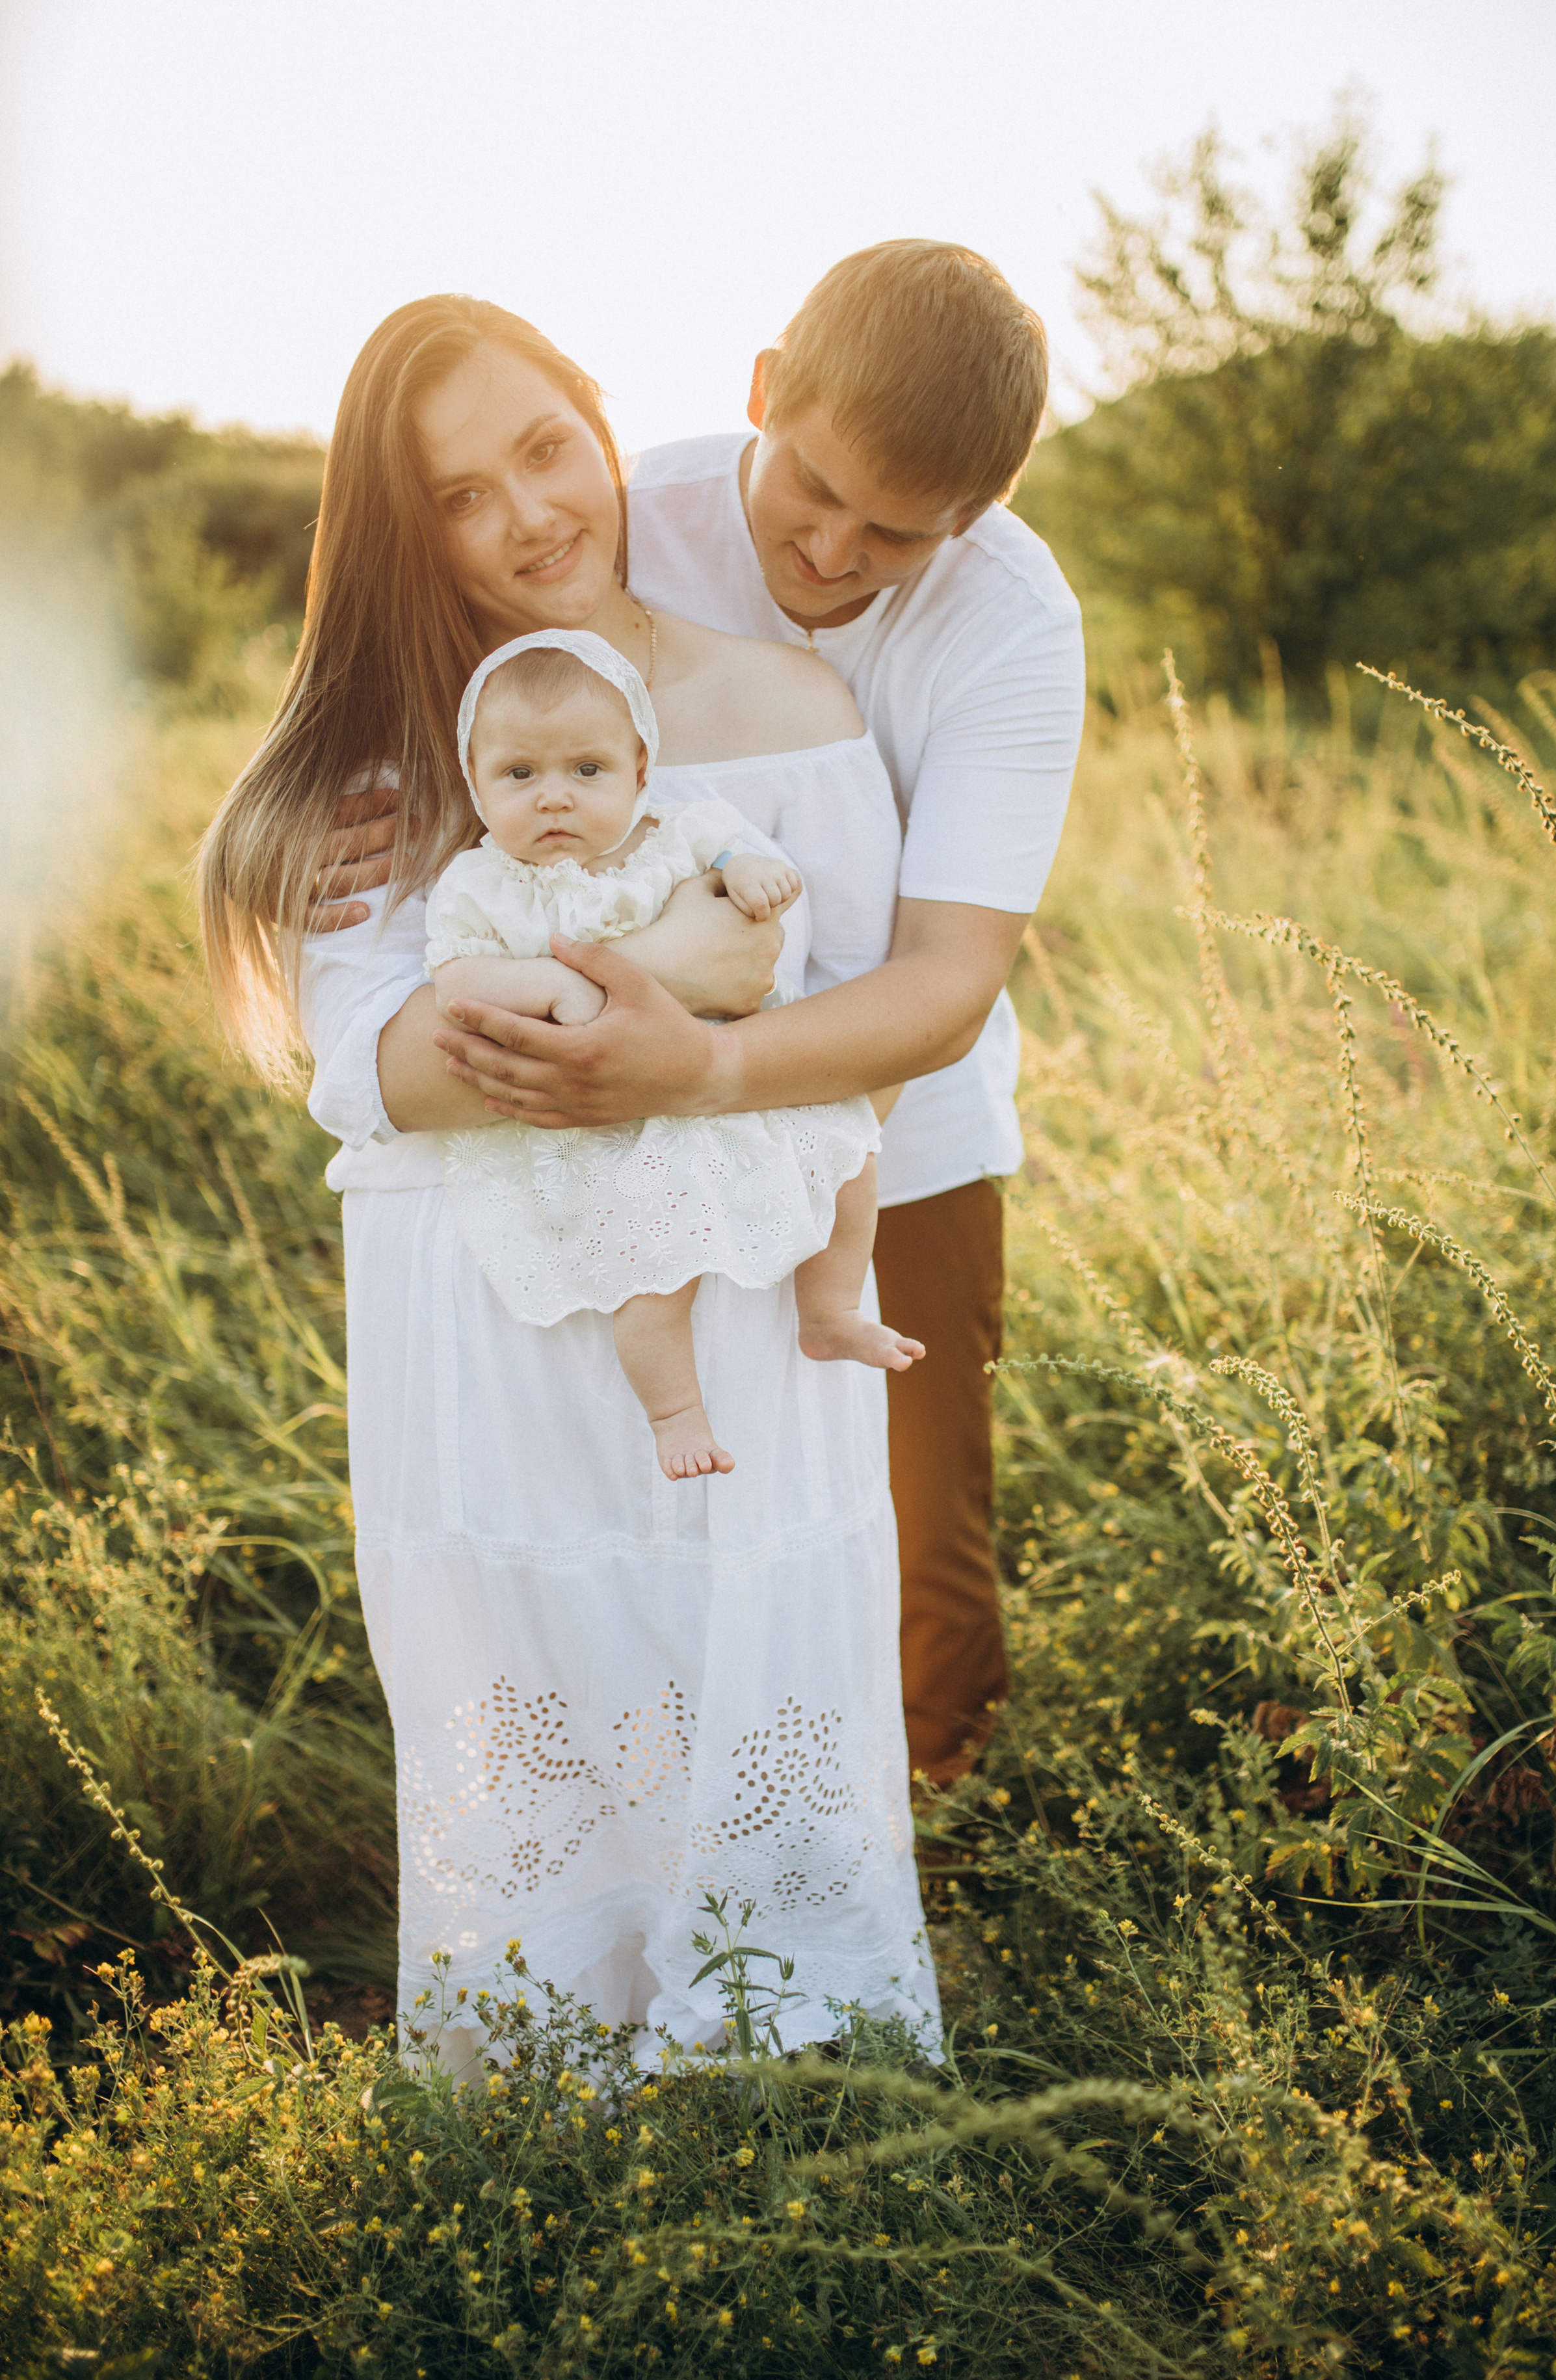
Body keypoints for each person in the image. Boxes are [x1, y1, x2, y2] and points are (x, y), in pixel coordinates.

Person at [197, 295, 939, 2077]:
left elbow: (851, 1020)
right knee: (537, 1659)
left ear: (603, 427)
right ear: (405, 534)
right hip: (484, 1304)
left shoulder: (784, 702)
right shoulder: (379, 759)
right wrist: (667, 988)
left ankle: (784, 2071)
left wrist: (608, 1016)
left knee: (743, 1622)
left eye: (544, 447)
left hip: (733, 1279)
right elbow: (371, 1067)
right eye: (460, 495)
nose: (530, 513)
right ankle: (545, 2067)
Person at [312, 243, 1087, 1793]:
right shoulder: (607, 518)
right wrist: (355, 810)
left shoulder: (1007, 619)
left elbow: (943, 979)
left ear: (976, 513)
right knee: (665, 1531)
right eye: (813, 486)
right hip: (615, 1146)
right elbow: (461, 702)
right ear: (761, 394)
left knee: (916, 1561)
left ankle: (896, 1892)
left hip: (888, 1138)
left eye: (895, 533)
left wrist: (711, 1057)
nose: (830, 545)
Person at [427, 626, 921, 1481]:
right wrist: (550, 987)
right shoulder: (481, 884)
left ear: (640, 771)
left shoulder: (673, 835)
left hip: (718, 1083)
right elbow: (454, 979)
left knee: (852, 1153)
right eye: (519, 775)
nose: (554, 798)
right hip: (608, 1128)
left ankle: (831, 1309)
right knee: (652, 1272)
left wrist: (748, 871)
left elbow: (733, 858)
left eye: (588, 770)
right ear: (475, 785)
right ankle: (675, 1412)